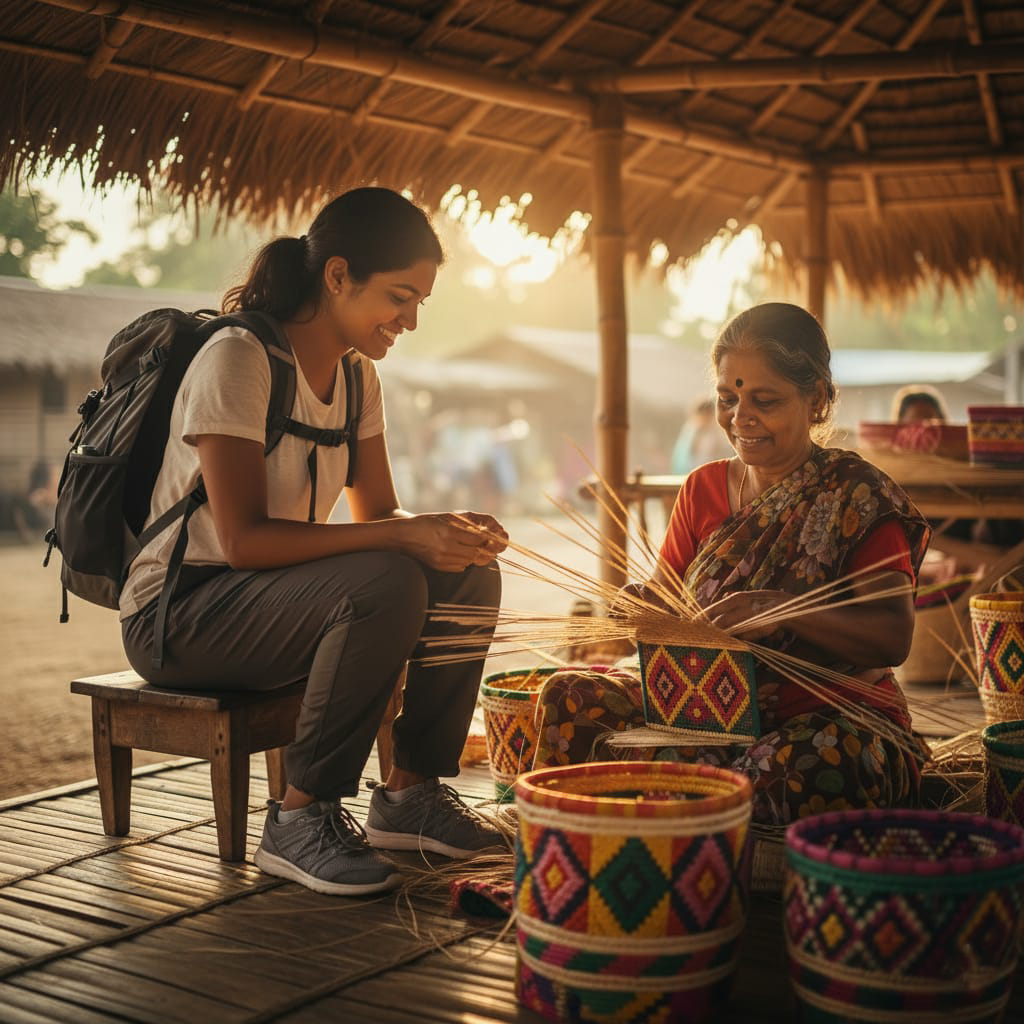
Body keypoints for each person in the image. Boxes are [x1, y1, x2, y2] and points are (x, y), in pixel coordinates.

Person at [119, 188, 509, 895]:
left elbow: (381, 513)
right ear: (337, 277)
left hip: (265, 603)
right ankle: (299, 821)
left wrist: (446, 530)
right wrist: (401, 536)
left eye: (420, 301)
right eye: (400, 296)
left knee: (465, 575)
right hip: (178, 615)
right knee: (387, 585)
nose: (411, 321)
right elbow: (240, 541)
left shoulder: (359, 377)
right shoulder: (239, 359)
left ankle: (411, 795)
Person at [534, 302, 932, 825]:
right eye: (727, 398)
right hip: (702, 714)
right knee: (569, 695)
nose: (740, 418)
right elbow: (667, 603)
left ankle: (688, 822)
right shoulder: (701, 489)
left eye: (764, 400)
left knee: (799, 770)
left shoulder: (857, 495)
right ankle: (612, 837)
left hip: (826, 718)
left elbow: (892, 638)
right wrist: (641, 611)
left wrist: (783, 609)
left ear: (815, 399)